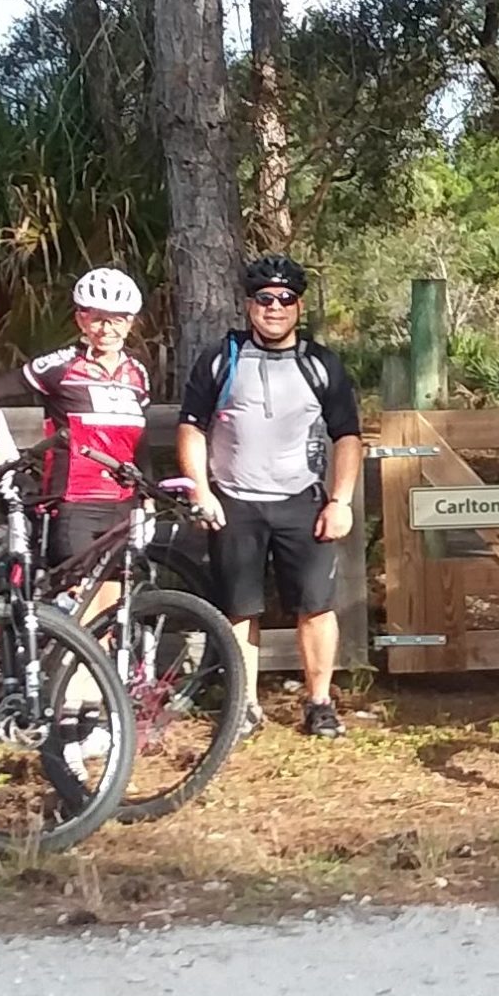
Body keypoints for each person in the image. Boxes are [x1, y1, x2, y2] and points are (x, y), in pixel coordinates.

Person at [175, 254, 364, 739]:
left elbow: (347, 436)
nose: (274, 307)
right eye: (264, 299)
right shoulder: (222, 358)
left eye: (285, 299)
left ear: (299, 307)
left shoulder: (320, 364)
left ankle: (319, 702)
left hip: (302, 501)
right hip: (235, 501)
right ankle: (245, 705)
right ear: (248, 304)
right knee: (240, 609)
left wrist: (340, 501)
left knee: (316, 606)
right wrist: (201, 490)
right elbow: (191, 427)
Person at [0, 266, 151, 597]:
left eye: (117, 319)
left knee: (113, 609)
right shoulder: (60, 365)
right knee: (80, 602)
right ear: (81, 320)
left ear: (130, 322)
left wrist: (147, 498)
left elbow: (139, 442)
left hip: (123, 504)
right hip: (74, 502)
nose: (107, 328)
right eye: (97, 318)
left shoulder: (138, 373)